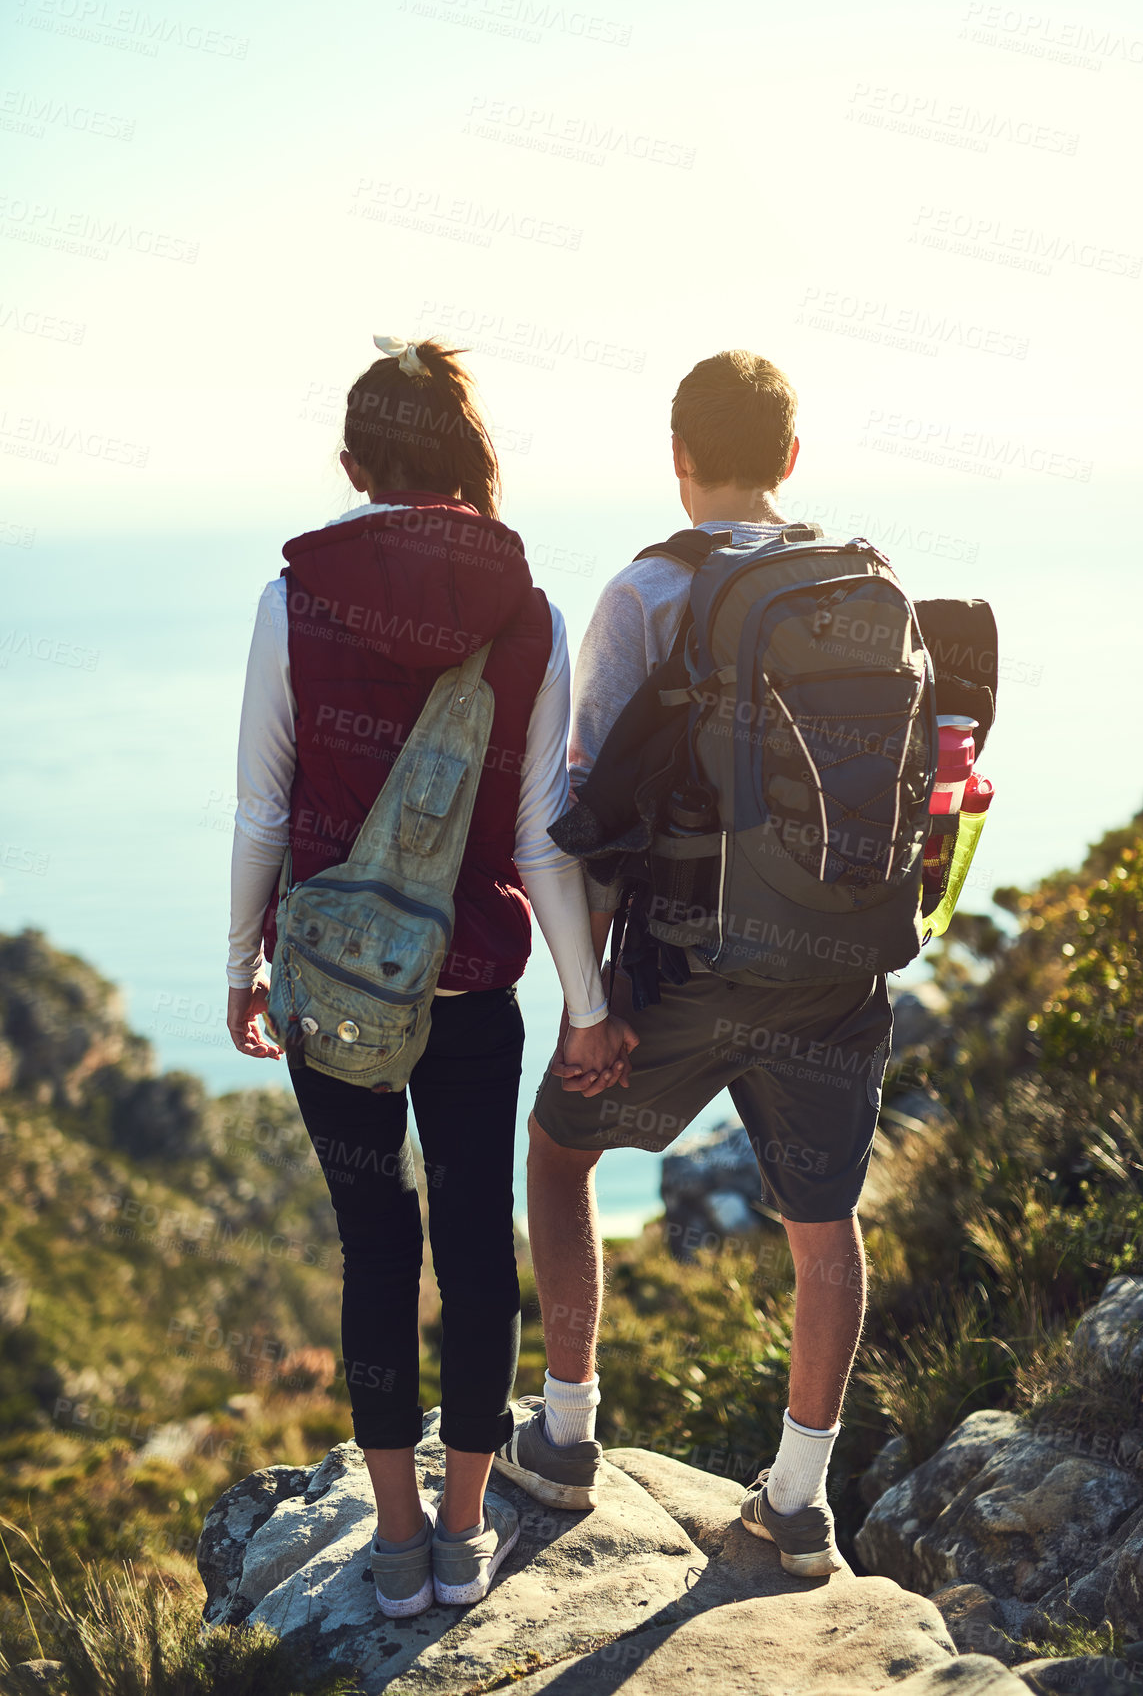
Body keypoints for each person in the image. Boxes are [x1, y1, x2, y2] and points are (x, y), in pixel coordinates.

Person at [225, 334, 635, 1617]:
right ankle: (465, 1539)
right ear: (470, 462)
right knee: (470, 1244)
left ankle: (393, 1544)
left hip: (332, 984)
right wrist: (588, 1003)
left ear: (353, 463)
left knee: (372, 1248)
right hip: (468, 987)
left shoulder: (293, 596)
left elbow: (261, 806)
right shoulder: (534, 614)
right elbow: (536, 837)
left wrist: (242, 962)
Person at [494, 350, 896, 1578]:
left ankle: (564, 1441)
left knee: (559, 1157)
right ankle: (796, 1506)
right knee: (823, 1229)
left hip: (689, 967)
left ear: (678, 461)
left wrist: (591, 1003)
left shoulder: (647, 592)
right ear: (790, 455)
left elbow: (587, 807)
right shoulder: (863, 579)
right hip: (839, 964)